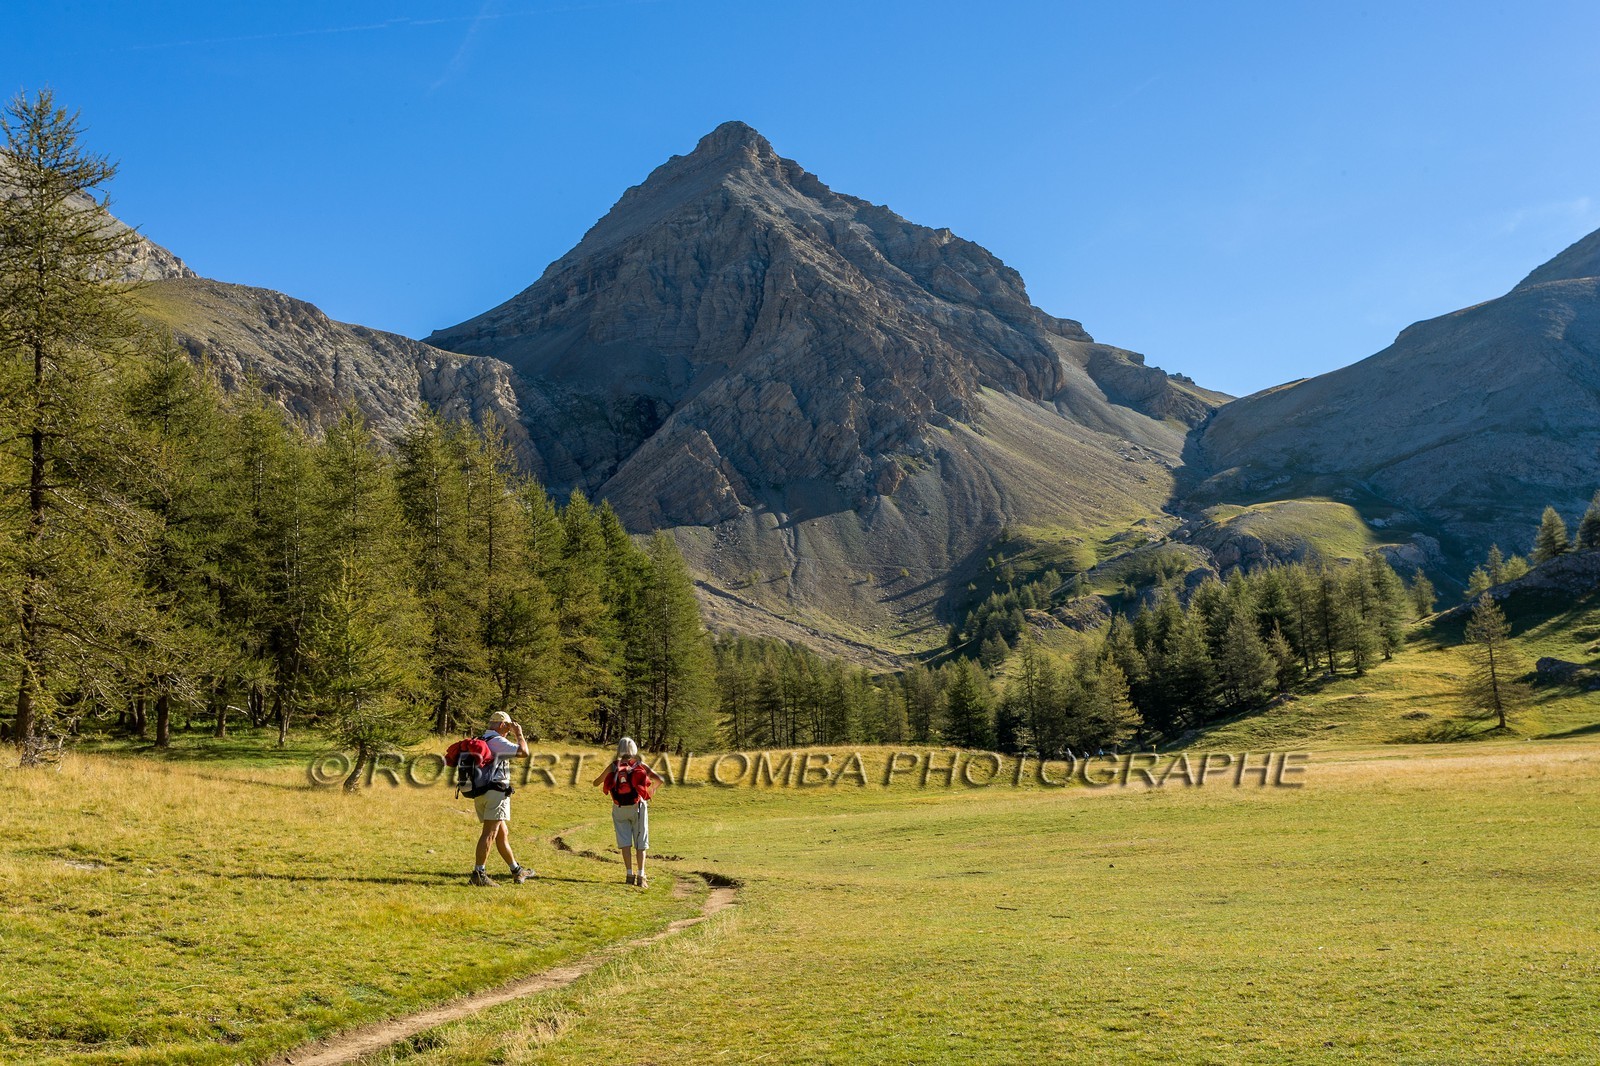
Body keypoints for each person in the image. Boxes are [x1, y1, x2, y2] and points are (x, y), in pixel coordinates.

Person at [470, 711, 533, 887]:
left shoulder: (482, 738)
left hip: (481, 792)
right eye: (508, 726)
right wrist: (519, 734)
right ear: (502, 725)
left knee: (501, 833)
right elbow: (523, 752)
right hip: (495, 792)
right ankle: (478, 873)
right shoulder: (497, 741)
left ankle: (516, 870)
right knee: (489, 833)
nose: (509, 729)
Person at [593, 737, 663, 888]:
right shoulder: (639, 765)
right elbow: (659, 779)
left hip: (619, 808)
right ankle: (641, 875)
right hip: (637, 806)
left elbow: (596, 782)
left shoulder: (613, 766)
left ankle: (629, 874)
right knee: (640, 842)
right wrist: (649, 792)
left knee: (624, 842)